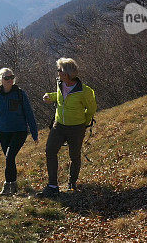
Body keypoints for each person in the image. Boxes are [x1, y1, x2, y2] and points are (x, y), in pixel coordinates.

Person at [36, 58, 96, 198]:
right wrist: (51, 96)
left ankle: (72, 183)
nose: (57, 73)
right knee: (50, 151)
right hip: (59, 125)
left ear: (67, 73)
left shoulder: (85, 91)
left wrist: (84, 124)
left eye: (60, 70)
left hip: (76, 128)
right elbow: (61, 96)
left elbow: (92, 108)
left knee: (74, 156)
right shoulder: (60, 83)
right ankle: (52, 186)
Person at [0, 67, 38, 196]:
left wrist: (34, 133)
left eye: (11, 77)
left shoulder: (20, 94)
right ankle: (13, 185)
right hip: (3, 132)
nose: (10, 80)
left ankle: (7, 185)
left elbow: (29, 114)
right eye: (6, 78)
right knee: (10, 159)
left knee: (9, 157)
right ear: (1, 80)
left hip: (19, 131)